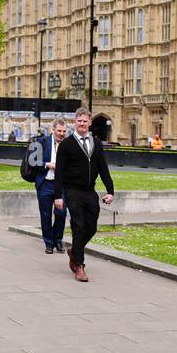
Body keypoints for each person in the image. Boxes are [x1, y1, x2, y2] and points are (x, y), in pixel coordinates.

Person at [53, 107, 115, 281]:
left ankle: (74, 250)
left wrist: (110, 190)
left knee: (92, 227)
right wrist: (58, 196)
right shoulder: (66, 144)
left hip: (90, 192)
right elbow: (59, 173)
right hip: (72, 191)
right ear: (75, 122)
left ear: (90, 122)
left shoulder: (96, 143)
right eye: (79, 121)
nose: (82, 123)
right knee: (78, 226)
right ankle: (79, 266)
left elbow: (103, 168)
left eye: (85, 121)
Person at [31, 119, 68, 254]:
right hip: (45, 183)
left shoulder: (69, 144)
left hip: (62, 185)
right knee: (45, 215)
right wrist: (48, 165)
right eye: (59, 131)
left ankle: (58, 239)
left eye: (64, 131)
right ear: (53, 130)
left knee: (61, 213)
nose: (61, 134)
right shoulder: (42, 142)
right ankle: (48, 243)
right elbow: (33, 161)